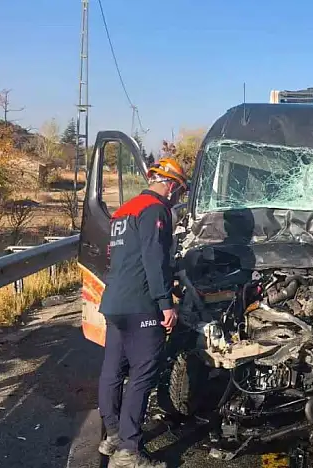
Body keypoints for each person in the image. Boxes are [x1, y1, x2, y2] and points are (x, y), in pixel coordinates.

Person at [96, 158, 188, 468]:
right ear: (172, 184)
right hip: (141, 306)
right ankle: (129, 452)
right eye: (180, 191)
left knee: (112, 370)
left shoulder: (124, 210)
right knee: (142, 374)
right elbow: (154, 259)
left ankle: (112, 436)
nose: (177, 197)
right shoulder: (156, 210)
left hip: (114, 304)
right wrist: (166, 304)